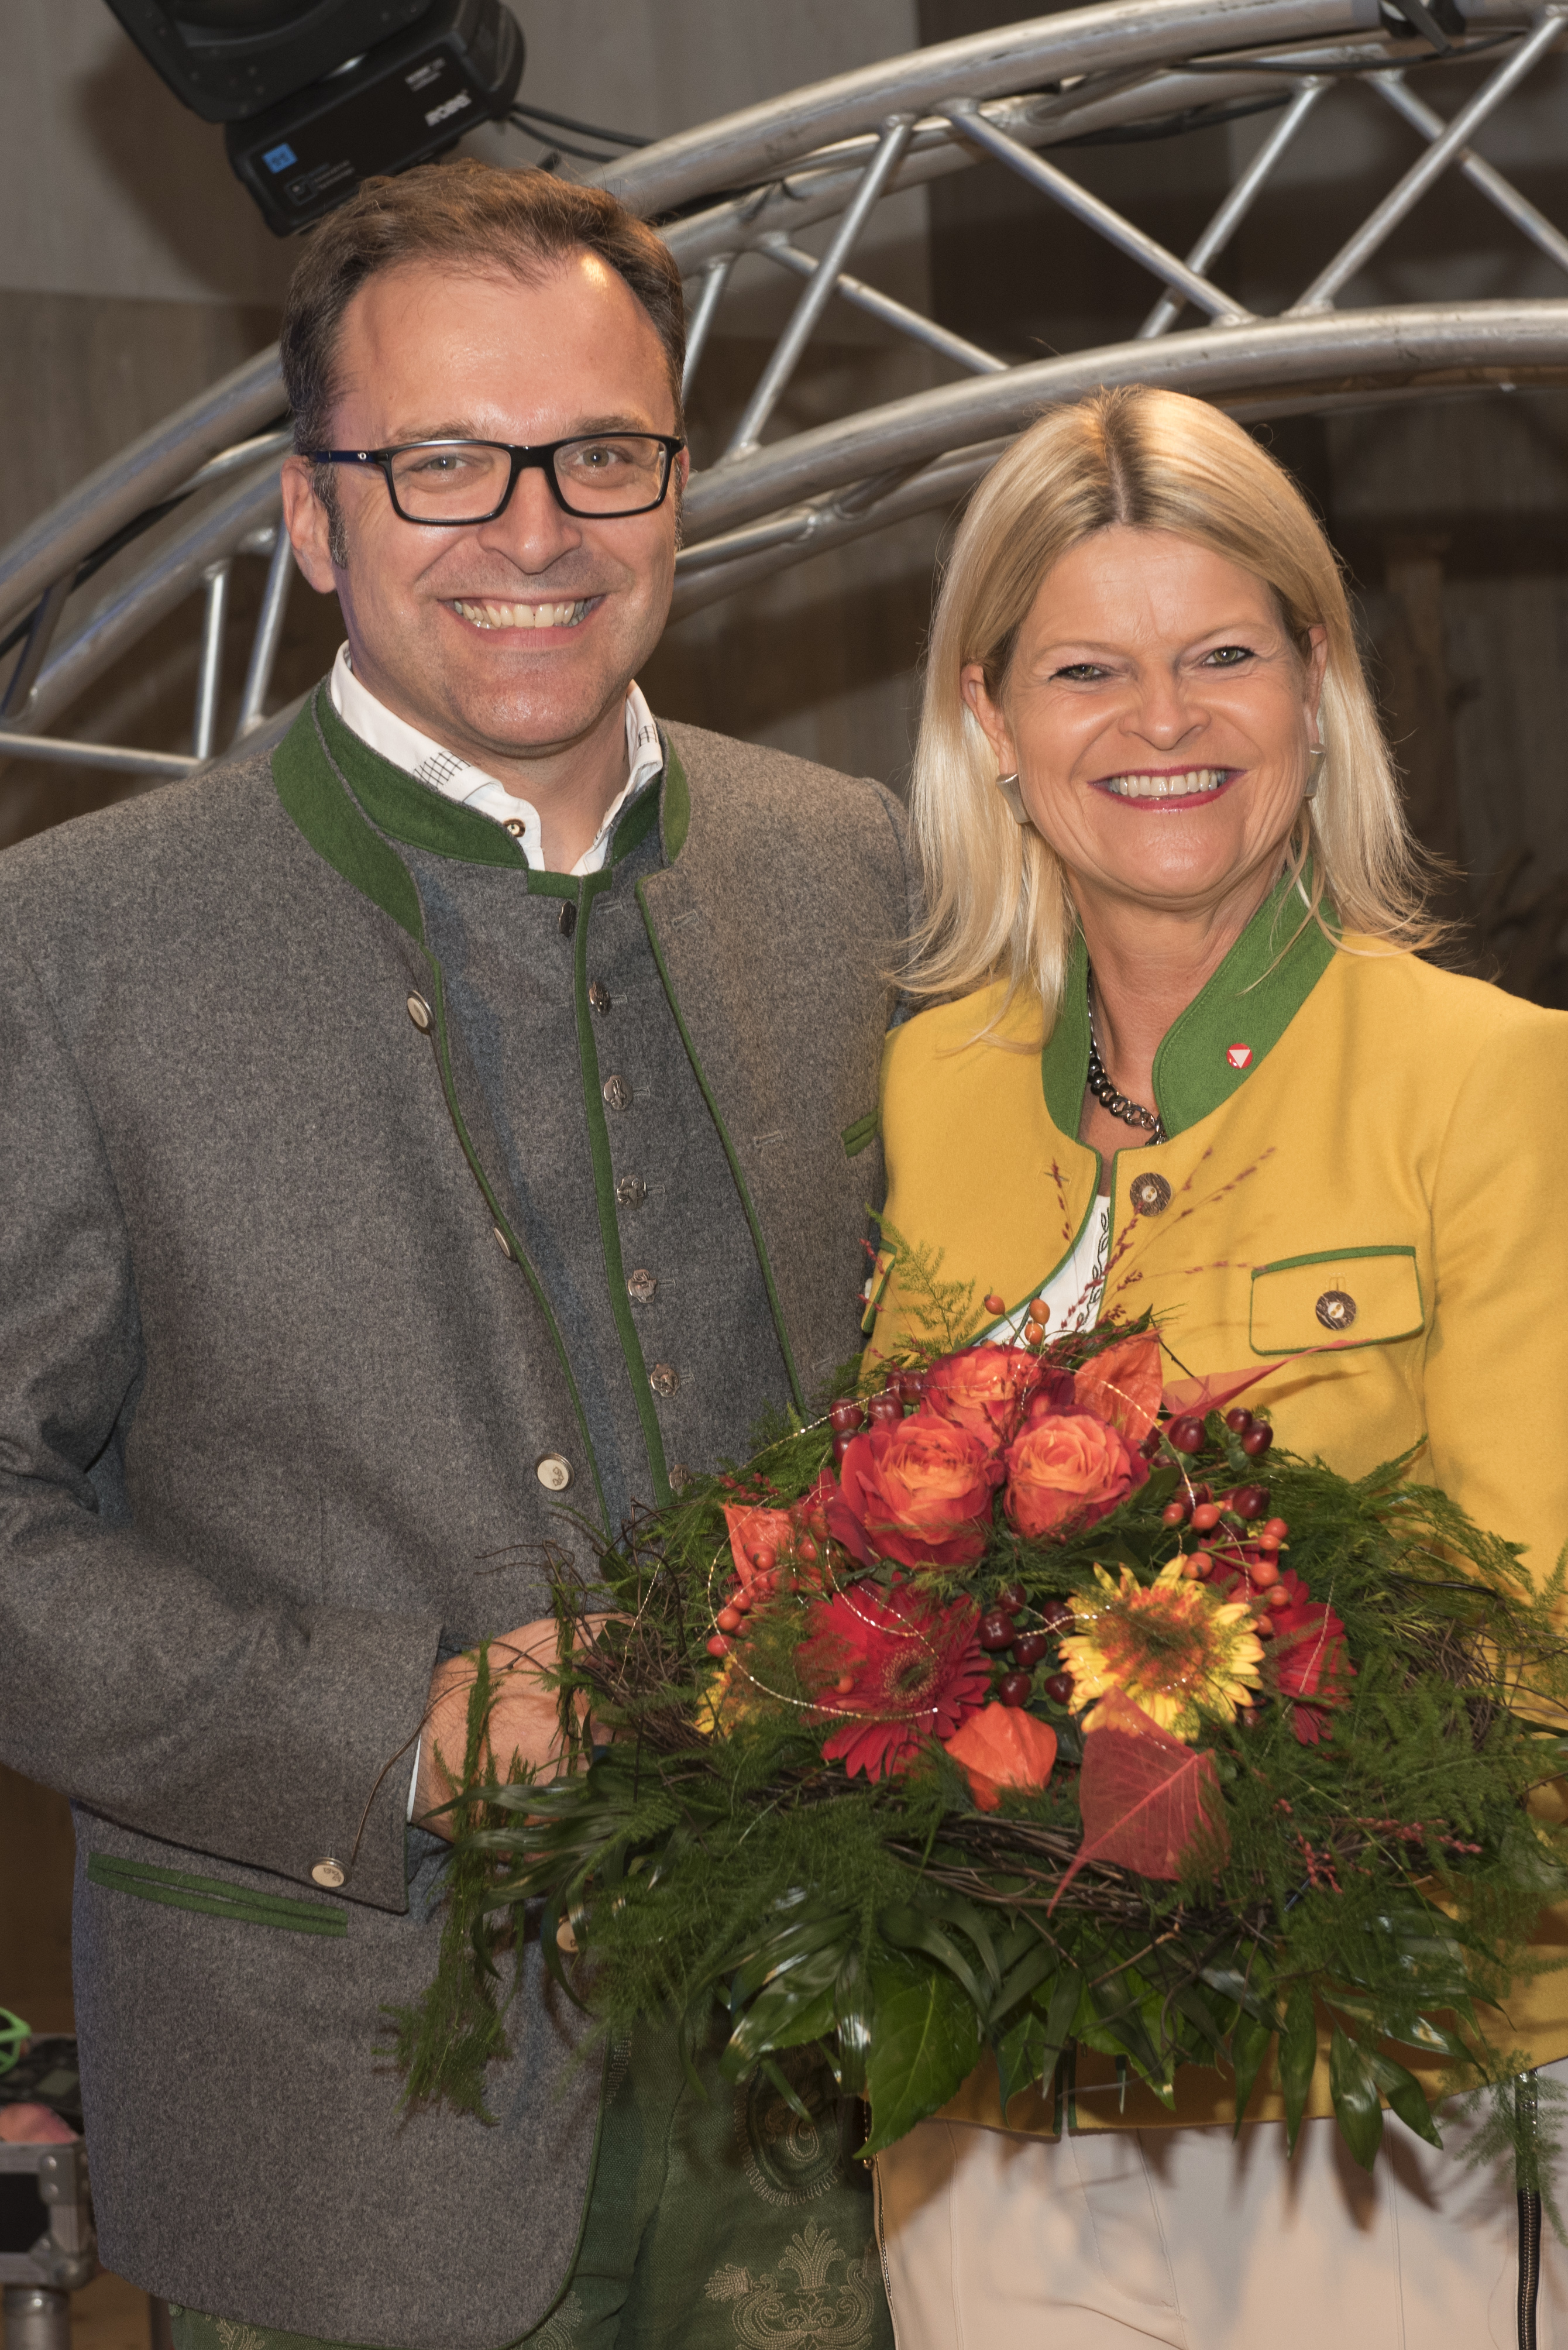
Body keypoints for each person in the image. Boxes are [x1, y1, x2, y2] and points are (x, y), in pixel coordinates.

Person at [0, 162, 911, 2350]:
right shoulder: (73, 941)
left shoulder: (849, 865)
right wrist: (388, 1731)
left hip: (833, 2095)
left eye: (601, 455)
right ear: (311, 518)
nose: (534, 530)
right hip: (343, 2133)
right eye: (442, 463)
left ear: (678, 485)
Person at [866, 384, 1568, 2347]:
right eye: (1087, 669)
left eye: (1224, 657)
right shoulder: (931, 1084)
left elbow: (1536, 1653)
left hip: (1378, 2096)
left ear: (1317, 687)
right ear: (991, 724)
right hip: (992, 2113)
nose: (1160, 722)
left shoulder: (1492, 1082)